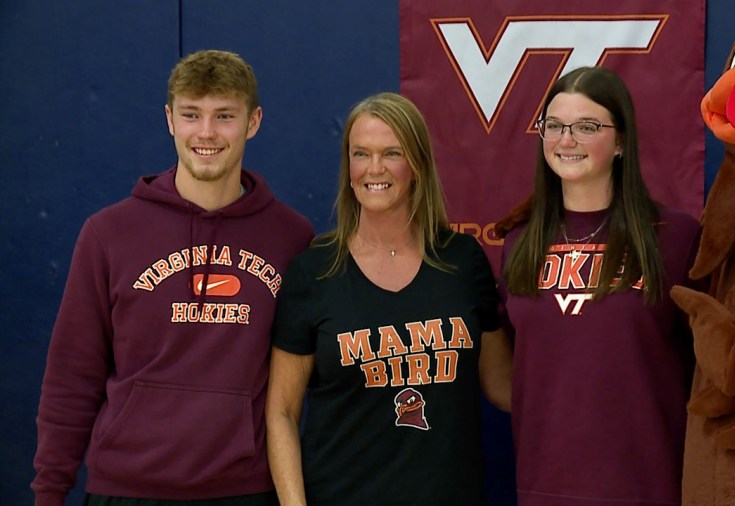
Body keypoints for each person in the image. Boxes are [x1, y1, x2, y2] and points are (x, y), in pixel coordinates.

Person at [31, 49, 315, 506]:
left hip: (243, 489)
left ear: (253, 121)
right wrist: (49, 492)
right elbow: (72, 377)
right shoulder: (109, 233)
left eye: (225, 115)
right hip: (127, 489)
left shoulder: (292, 237)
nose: (206, 132)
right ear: (169, 120)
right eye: (191, 115)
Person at [266, 92, 512, 506]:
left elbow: (503, 383)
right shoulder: (314, 271)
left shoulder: (462, 261)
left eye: (391, 153)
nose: (374, 169)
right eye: (361, 153)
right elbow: (282, 413)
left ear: (416, 165)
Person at [497, 66, 701, 506]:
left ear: (622, 140)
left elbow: (711, 371)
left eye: (587, 126)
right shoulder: (519, 243)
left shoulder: (676, 237)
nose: (566, 140)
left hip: (648, 484)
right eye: (554, 126)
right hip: (543, 484)